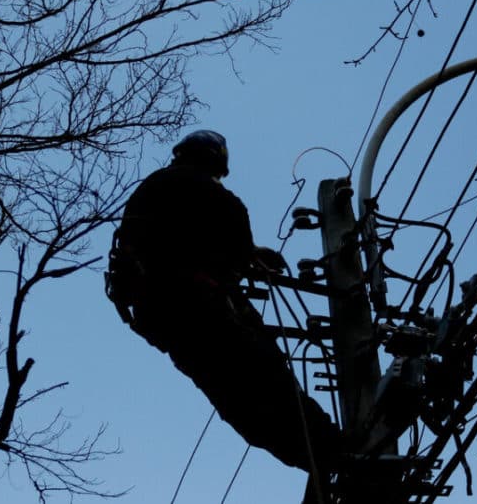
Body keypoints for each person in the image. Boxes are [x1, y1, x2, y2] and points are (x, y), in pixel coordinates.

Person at [106, 130, 341, 475]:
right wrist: (251, 256)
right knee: (269, 383)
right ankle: (332, 450)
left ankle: (318, 458)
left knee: (239, 403)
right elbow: (230, 235)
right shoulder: (210, 195)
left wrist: (246, 255)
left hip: (166, 321)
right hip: (204, 307)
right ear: (214, 161)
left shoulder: (152, 189)